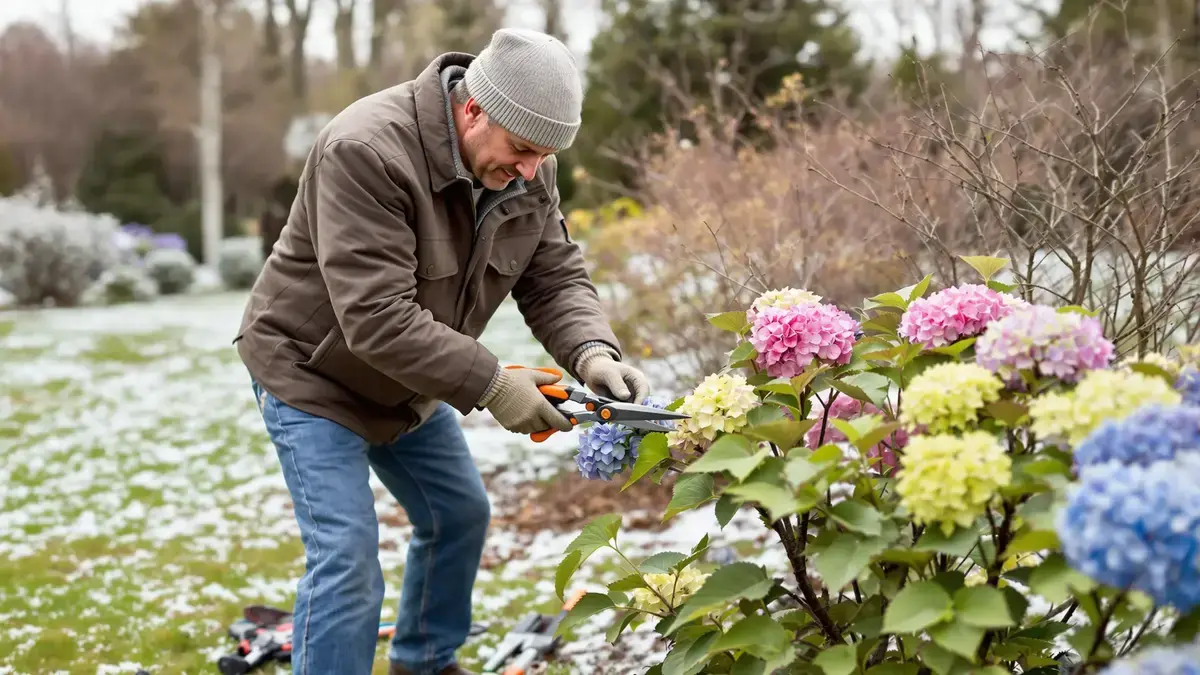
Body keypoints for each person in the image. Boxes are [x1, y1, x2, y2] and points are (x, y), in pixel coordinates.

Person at [233, 28, 650, 675]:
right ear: (474, 108)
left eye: (544, 156)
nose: (531, 170)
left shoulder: (527, 164)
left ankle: (423, 660)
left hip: (407, 378)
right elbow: (374, 316)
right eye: (521, 150)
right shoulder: (366, 150)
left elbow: (554, 276)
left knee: (458, 513)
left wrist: (594, 351)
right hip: (312, 373)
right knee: (346, 556)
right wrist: (491, 384)